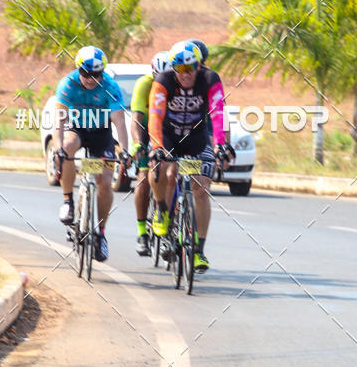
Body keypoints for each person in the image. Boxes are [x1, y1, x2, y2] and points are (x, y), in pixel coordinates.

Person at [147, 40, 235, 273]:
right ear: (173, 68)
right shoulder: (163, 80)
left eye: (191, 68)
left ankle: (199, 250)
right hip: (169, 135)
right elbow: (155, 116)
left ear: (199, 65)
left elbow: (218, 113)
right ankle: (162, 210)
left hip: (196, 137)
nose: (186, 74)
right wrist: (156, 146)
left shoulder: (210, 79)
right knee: (160, 169)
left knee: (202, 188)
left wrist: (221, 145)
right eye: (180, 69)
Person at [53, 45, 130, 262]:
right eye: (85, 73)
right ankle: (68, 201)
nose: (89, 79)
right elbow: (59, 120)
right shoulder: (68, 84)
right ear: (79, 70)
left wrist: (124, 151)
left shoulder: (110, 86)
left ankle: (100, 234)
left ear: (102, 73)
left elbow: (120, 123)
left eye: (95, 74)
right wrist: (58, 147)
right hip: (76, 129)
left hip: (101, 133)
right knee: (67, 148)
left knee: (105, 182)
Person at [130, 51, 171, 256]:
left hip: (171, 132)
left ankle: (173, 220)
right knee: (144, 179)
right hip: (147, 131)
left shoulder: (178, 85)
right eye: (159, 76)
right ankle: (141, 232)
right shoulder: (144, 84)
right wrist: (138, 144)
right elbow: (137, 118)